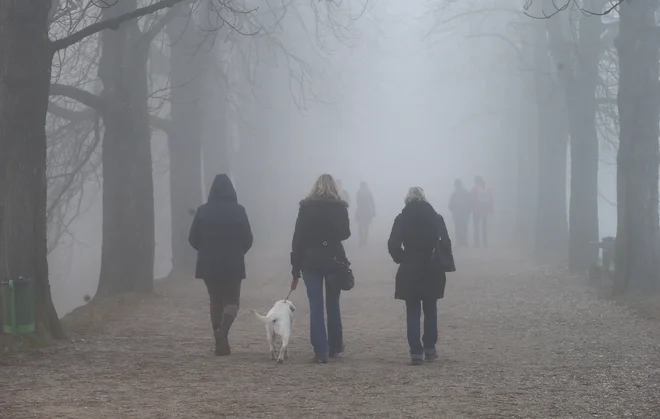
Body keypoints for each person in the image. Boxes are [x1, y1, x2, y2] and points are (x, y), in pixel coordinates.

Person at [189, 174, 253, 356]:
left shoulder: (203, 211)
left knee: (215, 301)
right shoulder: (239, 211)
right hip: (233, 263)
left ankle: (219, 339)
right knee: (232, 301)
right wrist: (239, 252)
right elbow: (248, 238)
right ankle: (223, 332)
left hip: (208, 263)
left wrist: (204, 250)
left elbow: (193, 238)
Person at [291, 174, 351, 363]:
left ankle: (321, 350)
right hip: (333, 259)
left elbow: (298, 239)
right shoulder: (340, 207)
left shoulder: (306, 208)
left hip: (311, 261)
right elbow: (345, 233)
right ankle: (335, 346)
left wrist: (295, 268)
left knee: (316, 306)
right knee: (333, 304)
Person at [387, 187, 451, 365]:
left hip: (410, 267)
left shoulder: (401, 219)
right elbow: (445, 242)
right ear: (424, 199)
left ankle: (416, 352)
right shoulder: (436, 218)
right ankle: (429, 348)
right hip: (432, 267)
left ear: (407, 199)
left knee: (413, 310)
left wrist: (402, 258)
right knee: (431, 308)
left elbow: (393, 244)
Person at [471, 176, 493, 248]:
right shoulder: (487, 189)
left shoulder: (475, 189)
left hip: (476, 210)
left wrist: (471, 208)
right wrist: (491, 209)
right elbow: (491, 199)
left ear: (476, 181)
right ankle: (485, 243)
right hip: (485, 210)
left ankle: (477, 243)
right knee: (484, 227)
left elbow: (472, 199)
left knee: (476, 227)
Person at [448, 179, 471, 248]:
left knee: (459, 227)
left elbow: (450, 204)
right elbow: (469, 202)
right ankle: (463, 241)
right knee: (463, 227)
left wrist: (452, 209)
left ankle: (461, 242)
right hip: (462, 213)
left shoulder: (455, 193)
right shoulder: (465, 192)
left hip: (459, 213)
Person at [355, 181, 376, 247]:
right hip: (367, 212)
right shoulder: (368, 193)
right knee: (366, 227)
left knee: (361, 227)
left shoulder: (358, 192)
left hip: (360, 212)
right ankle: (364, 242)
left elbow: (357, 202)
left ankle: (361, 242)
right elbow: (372, 203)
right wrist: (373, 212)